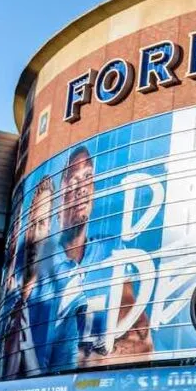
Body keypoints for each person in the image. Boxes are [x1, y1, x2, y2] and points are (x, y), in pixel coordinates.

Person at [55, 146, 153, 368]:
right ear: (59, 199)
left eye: (87, 177)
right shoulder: (45, 264)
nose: (81, 189)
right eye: (72, 183)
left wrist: (98, 358)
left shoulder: (109, 250)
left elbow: (142, 344)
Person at [0, 176, 57, 378]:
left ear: (50, 227)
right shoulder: (9, 295)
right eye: (31, 225)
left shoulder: (57, 298)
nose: (33, 234)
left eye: (41, 224)